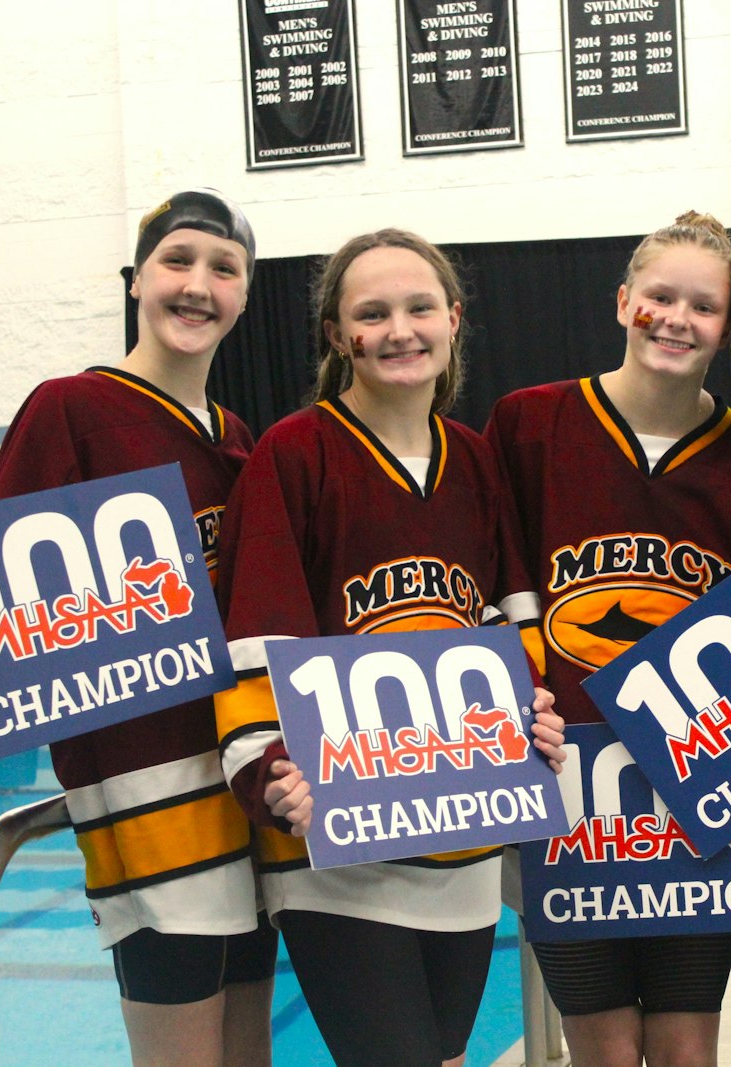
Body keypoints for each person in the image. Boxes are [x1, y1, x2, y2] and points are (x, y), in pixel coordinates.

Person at [0, 191, 277, 1067]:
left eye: (224, 269)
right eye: (178, 261)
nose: (198, 285)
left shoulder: (240, 440)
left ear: (245, 297)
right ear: (136, 279)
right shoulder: (70, 408)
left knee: (251, 1052)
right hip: (145, 807)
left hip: (240, 798)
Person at [210, 228, 567, 1067]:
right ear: (341, 336)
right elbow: (258, 635)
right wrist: (267, 772)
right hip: (340, 847)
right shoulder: (292, 456)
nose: (399, 330)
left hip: (464, 839)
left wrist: (533, 720)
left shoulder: (475, 460)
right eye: (372, 314)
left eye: (418, 308)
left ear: (453, 318)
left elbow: (508, 629)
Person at [486, 211, 731, 1067]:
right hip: (566, 789)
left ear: (727, 328)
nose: (677, 318)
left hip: (698, 793)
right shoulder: (528, 424)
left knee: (690, 1048)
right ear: (623, 302)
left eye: (704, 305)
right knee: (604, 1050)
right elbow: (489, 585)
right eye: (660, 296)